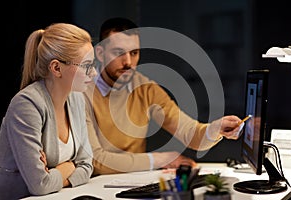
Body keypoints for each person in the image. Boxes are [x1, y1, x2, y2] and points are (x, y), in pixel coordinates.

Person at [84, 17, 243, 175]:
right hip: (93, 187)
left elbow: (188, 132)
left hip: (133, 182)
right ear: (100, 52)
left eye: (134, 53)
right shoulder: (82, 91)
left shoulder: (146, 89)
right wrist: (161, 159)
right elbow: (95, 161)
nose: (128, 62)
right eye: (119, 53)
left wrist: (214, 129)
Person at [0, 23, 96, 199]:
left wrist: (56, 173)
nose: (94, 73)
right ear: (56, 68)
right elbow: (39, 185)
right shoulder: (26, 104)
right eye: (87, 65)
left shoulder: (76, 98)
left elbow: (87, 166)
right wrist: (68, 166)